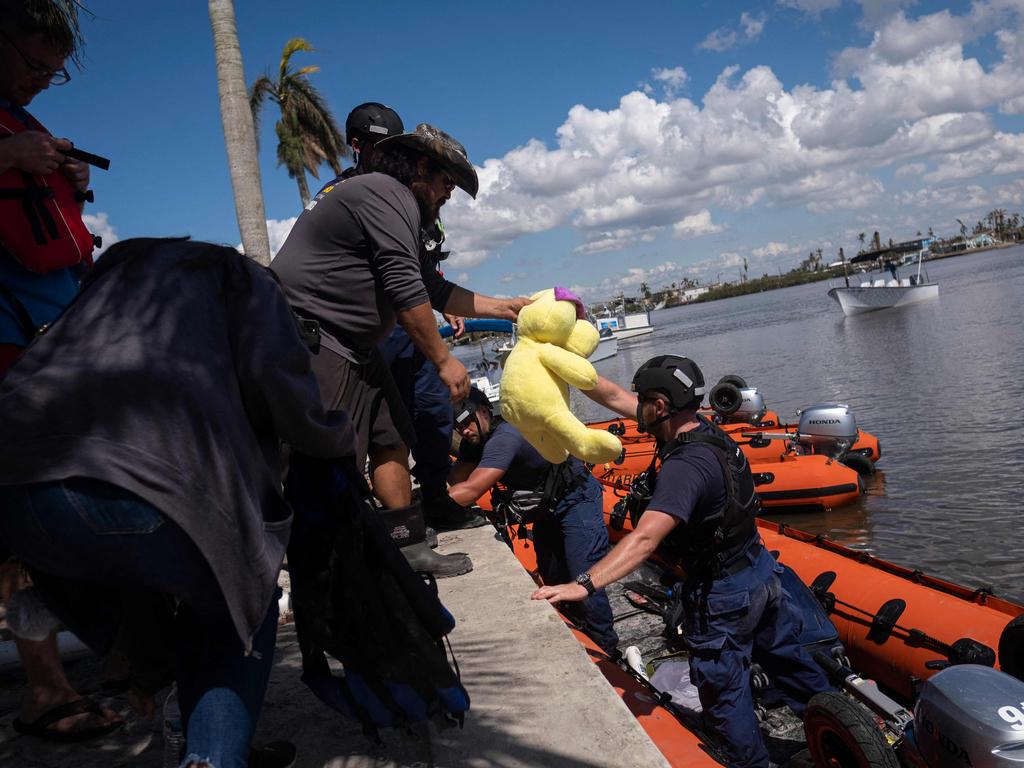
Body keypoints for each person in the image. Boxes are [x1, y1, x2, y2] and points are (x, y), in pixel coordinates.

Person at [0, 238, 352, 767]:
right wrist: (338, 440)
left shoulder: (100, 294)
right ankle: (212, 755)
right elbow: (287, 396)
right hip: (134, 483)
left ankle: (184, 713)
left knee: (171, 602)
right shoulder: (243, 279)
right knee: (240, 605)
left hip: (15, 489)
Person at [532, 355, 833, 768]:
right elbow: (612, 394)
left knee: (724, 696)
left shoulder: (685, 467)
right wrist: (554, 359)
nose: (634, 405)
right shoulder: (702, 429)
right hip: (760, 572)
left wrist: (582, 584)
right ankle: (839, 733)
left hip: (724, 594)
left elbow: (645, 538)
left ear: (659, 405)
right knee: (788, 660)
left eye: (643, 400)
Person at [274, 122, 529, 578]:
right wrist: (444, 359)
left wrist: (504, 307)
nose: (448, 195)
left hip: (356, 345)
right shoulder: (384, 193)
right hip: (313, 339)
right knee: (332, 456)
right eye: (446, 183)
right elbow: (402, 283)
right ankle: (325, 564)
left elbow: (432, 285)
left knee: (391, 437)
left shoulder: (394, 203)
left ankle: (407, 545)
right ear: (421, 168)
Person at [0, 0, 117, 742]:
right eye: (33, 63)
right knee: (20, 521)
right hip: (10, 352)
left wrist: (70, 179)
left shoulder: (25, 123)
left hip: (58, 343)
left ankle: (93, 662)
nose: (44, 81)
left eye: (55, 70)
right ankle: (44, 687)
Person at [447, 387, 619, 655]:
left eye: (466, 422)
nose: (464, 431)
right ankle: (576, 635)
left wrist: (426, 509)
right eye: (457, 427)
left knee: (583, 578)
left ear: (483, 412)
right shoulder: (475, 442)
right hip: (546, 509)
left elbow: (470, 490)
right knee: (551, 576)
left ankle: (608, 651)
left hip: (576, 499)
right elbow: (456, 480)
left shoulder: (504, 437)